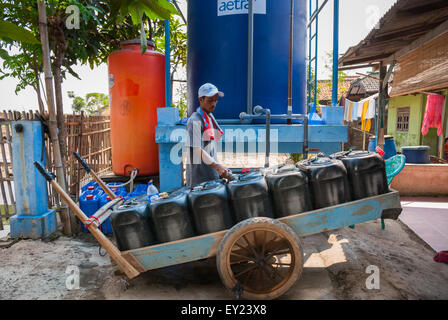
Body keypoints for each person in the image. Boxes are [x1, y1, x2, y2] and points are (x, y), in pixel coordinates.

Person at [185, 83, 230, 187]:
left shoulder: (209, 117)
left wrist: (219, 168)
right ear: (200, 100)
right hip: (199, 180)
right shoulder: (195, 120)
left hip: (211, 175)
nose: (214, 104)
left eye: (216, 100)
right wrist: (218, 166)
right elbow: (197, 150)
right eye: (210, 100)